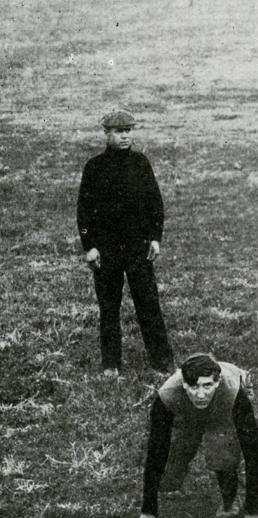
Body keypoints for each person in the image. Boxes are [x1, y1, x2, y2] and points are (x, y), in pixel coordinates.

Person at [76, 108, 174, 375]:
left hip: (137, 247)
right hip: (106, 251)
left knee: (149, 304)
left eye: (128, 131)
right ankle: (111, 364)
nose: (124, 136)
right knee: (109, 308)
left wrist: (155, 238)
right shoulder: (94, 167)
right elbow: (84, 210)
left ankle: (162, 362)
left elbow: (155, 203)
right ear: (106, 134)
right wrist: (90, 246)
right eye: (119, 132)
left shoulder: (141, 164)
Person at [129, 353, 258, 518]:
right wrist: (148, 513)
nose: (201, 394)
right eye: (193, 386)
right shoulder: (168, 394)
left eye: (207, 386)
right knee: (171, 462)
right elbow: (155, 450)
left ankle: (230, 500)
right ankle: (172, 481)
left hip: (222, 407)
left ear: (217, 383)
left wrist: (253, 514)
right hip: (187, 412)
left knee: (222, 450)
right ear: (184, 384)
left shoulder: (233, 393)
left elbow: (256, 452)